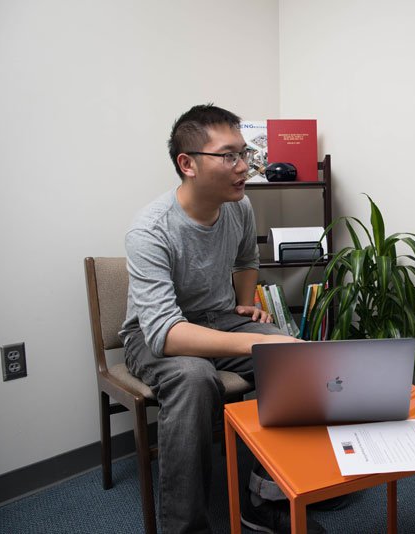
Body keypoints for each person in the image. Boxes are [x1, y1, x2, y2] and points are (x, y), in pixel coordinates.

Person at [120, 104, 325, 534]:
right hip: (156, 335)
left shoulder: (240, 207)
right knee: (195, 378)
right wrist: (262, 343)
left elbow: (247, 257)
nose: (243, 166)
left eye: (244, 154)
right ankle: (184, 527)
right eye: (228, 156)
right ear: (187, 164)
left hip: (219, 317)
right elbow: (166, 333)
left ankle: (263, 499)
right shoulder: (150, 231)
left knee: (295, 361)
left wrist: (246, 300)